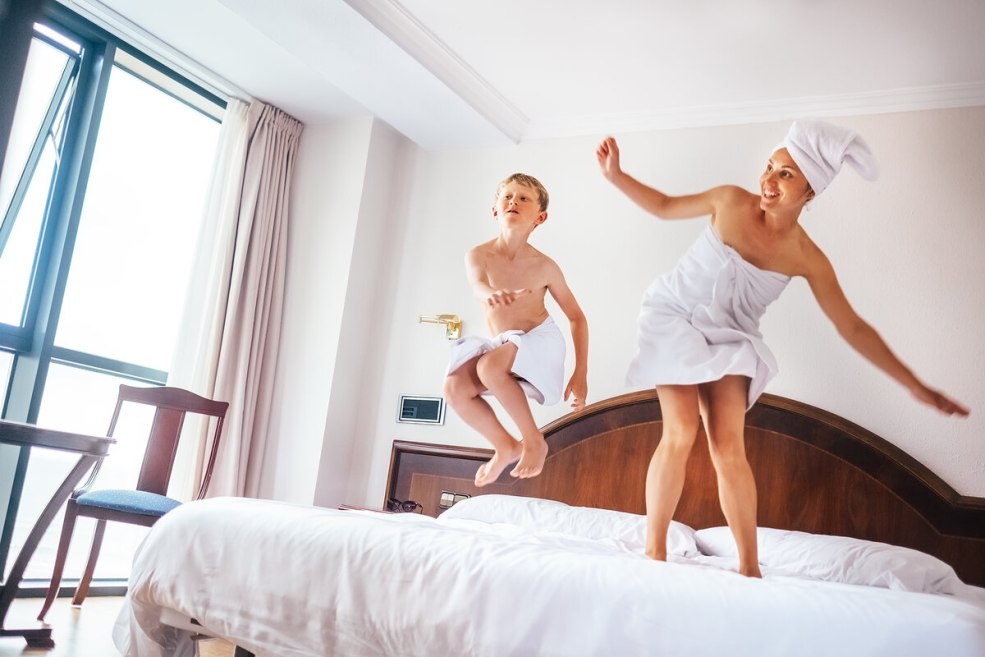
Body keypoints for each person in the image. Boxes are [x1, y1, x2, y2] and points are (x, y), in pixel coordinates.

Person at [596, 120, 970, 577]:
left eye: (786, 174)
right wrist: (616, 177)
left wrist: (915, 385)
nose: (769, 181)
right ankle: (654, 553)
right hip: (675, 318)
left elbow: (851, 326)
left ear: (810, 193)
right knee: (679, 431)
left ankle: (750, 569)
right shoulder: (730, 200)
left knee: (729, 447)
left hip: (732, 337)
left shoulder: (806, 257)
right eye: (770, 167)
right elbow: (664, 205)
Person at [444, 173, 589, 488]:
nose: (513, 202)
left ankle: (534, 440)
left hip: (541, 338)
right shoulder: (479, 255)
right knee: (454, 388)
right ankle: (506, 446)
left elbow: (577, 317)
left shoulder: (545, 266)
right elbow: (478, 284)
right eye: (507, 197)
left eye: (523, 198)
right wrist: (489, 294)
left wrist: (580, 372)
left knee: (490, 366)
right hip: (505, 343)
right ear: (495, 211)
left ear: (540, 217)